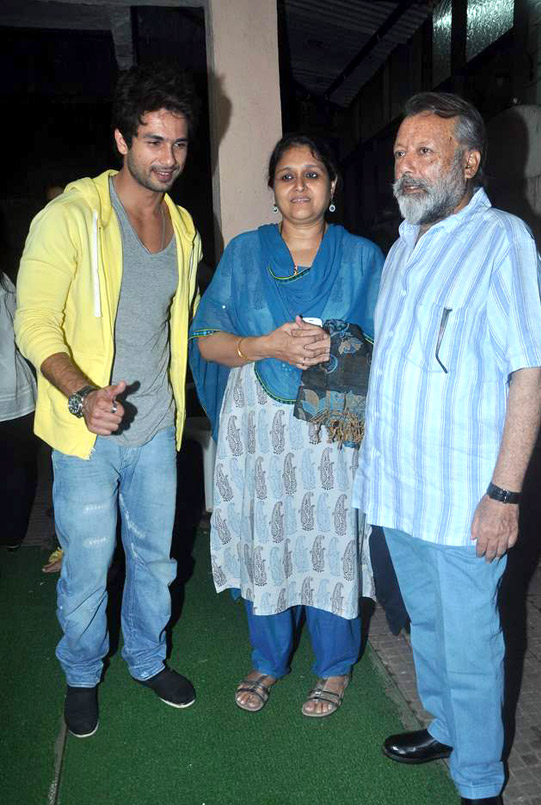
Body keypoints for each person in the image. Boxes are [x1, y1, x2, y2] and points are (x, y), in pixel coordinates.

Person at [353, 93, 541, 805]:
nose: (406, 167)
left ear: (469, 162)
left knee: (472, 641)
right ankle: (442, 729)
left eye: (424, 153)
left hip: (464, 497)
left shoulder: (502, 242)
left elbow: (528, 374)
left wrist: (503, 495)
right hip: (400, 489)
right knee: (427, 625)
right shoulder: (403, 243)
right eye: (400, 154)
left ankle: (479, 784)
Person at [15, 64, 202, 738]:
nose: (168, 159)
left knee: (156, 559)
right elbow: (34, 323)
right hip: (86, 435)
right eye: (154, 141)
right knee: (89, 568)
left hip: (154, 431)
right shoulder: (69, 218)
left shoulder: (183, 229)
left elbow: (177, 322)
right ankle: (82, 672)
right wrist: (85, 394)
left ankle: (148, 659)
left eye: (179, 144)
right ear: (122, 139)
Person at [190, 134, 384, 717]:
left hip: (330, 420)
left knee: (328, 537)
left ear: (332, 187)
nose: (300, 186)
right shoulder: (246, 255)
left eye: (312, 174)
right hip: (260, 424)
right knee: (267, 532)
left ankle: (334, 667)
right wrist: (264, 343)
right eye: (287, 176)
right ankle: (268, 659)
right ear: (273, 190)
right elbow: (208, 340)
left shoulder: (362, 257)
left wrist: (341, 342)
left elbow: (392, 345)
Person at [0, 269, 37, 549]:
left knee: (16, 466)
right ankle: (12, 533)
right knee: (17, 466)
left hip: (14, 392)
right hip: (14, 390)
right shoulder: (5, 281)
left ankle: (12, 533)